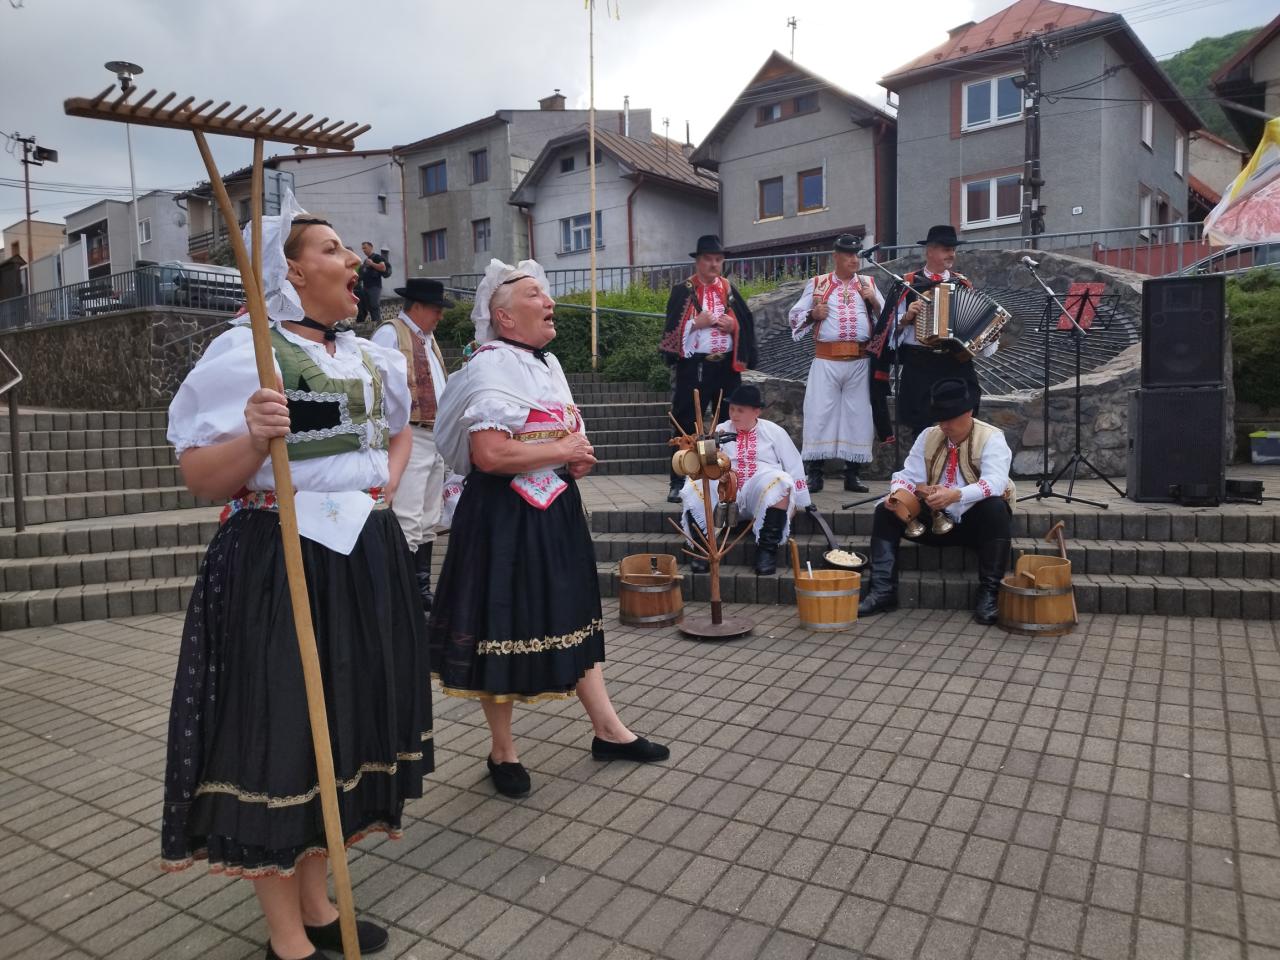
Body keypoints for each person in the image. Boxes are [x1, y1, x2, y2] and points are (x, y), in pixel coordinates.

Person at [160, 193, 431, 960]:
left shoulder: (370, 357)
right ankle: (287, 936)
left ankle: (317, 904)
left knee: (336, 728)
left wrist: (380, 487)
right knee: (278, 733)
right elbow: (200, 478)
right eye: (332, 248)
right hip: (278, 559)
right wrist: (253, 440)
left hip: (362, 556)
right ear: (290, 272)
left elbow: (399, 435)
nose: (353, 262)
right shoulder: (247, 352)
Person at [431, 258, 669, 800]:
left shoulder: (548, 364)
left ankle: (608, 730)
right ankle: (502, 751)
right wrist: (561, 449)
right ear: (504, 318)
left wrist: (572, 458)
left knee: (573, 613)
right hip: (503, 517)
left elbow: (556, 435)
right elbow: (489, 455)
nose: (550, 302)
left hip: (554, 508)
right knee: (500, 625)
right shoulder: (491, 365)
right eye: (535, 295)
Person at [858, 377, 1014, 625]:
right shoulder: (928, 435)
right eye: (941, 418)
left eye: (951, 417)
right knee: (886, 511)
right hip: (931, 523)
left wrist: (956, 495)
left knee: (995, 508)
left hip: (974, 528)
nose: (945, 425)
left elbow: (995, 482)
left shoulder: (992, 437)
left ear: (969, 411)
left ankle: (989, 596)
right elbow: (907, 476)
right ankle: (882, 591)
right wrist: (898, 494)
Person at [371, 277, 453, 610]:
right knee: (407, 515)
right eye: (435, 309)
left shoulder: (427, 339)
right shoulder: (391, 334)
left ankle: (420, 590)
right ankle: (404, 594)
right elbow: (376, 384)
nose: (440, 315)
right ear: (417, 306)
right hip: (409, 434)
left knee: (429, 517)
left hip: (433, 435)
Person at [659, 234, 758, 503]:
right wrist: (695, 324)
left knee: (728, 422)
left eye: (718, 259)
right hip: (694, 366)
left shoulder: (729, 290)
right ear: (698, 262)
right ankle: (679, 480)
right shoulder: (683, 290)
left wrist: (734, 326)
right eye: (708, 259)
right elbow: (671, 329)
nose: (714, 264)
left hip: (726, 367)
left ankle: (725, 479)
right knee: (686, 422)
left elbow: (746, 322)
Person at [787, 234, 884, 494]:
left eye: (857, 255)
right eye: (849, 255)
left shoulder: (868, 283)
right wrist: (813, 314)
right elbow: (794, 317)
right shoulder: (817, 283)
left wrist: (874, 301)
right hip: (826, 359)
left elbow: (888, 319)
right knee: (819, 413)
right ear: (836, 257)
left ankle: (852, 475)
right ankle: (815, 474)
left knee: (859, 415)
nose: (854, 259)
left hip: (860, 361)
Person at [680, 384, 810, 576]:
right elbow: (706, 466)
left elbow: (794, 464)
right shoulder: (720, 430)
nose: (734, 414)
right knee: (696, 482)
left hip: (759, 494)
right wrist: (708, 456)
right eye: (732, 409)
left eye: (740, 410)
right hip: (726, 494)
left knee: (780, 480)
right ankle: (702, 549)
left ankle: (766, 551)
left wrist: (801, 501)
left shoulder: (774, 432)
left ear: (756, 411)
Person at [890, 224, 998, 435]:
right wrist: (906, 318)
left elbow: (977, 322)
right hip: (920, 363)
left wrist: (990, 334)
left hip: (954, 361)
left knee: (962, 418)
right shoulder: (908, 284)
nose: (951, 254)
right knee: (921, 424)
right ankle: (926, 456)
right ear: (930, 251)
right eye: (946, 249)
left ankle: (958, 457)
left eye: (953, 249)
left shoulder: (962, 283)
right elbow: (889, 331)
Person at [355, 241, 387, 324]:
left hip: (375, 287)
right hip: (366, 287)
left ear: (371, 247)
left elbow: (383, 268)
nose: (363, 250)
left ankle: (377, 324)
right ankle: (373, 324)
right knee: (367, 307)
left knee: (374, 306)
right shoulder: (366, 260)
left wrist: (372, 264)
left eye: (365, 248)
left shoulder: (377, 257)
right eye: (363, 248)